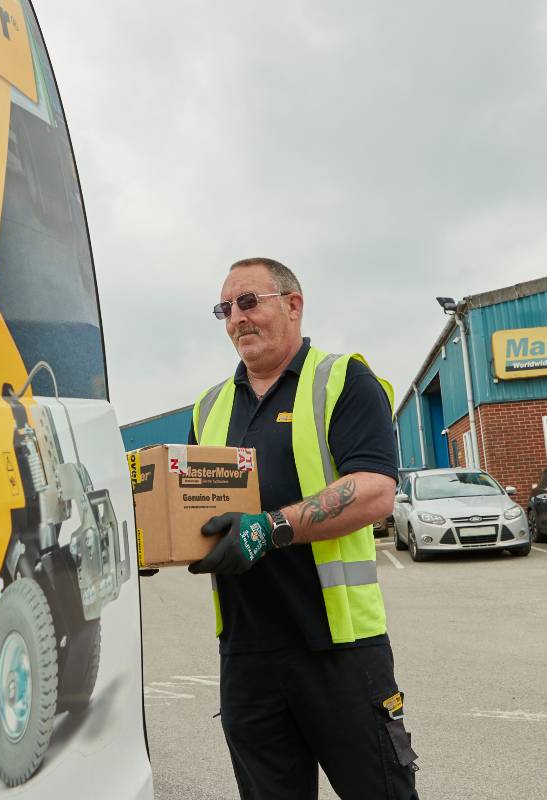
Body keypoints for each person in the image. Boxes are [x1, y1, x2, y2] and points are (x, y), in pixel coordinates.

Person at [187, 257, 419, 799]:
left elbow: (376, 491)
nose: (237, 318)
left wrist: (268, 530)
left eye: (249, 302)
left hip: (338, 649)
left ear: (293, 304)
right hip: (246, 654)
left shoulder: (342, 380)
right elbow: (188, 505)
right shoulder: (209, 407)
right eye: (225, 308)